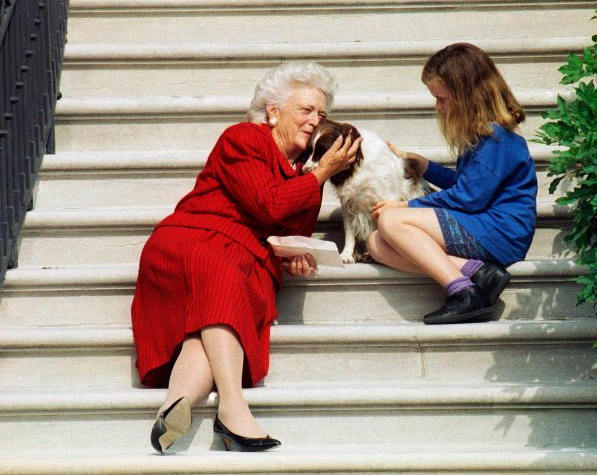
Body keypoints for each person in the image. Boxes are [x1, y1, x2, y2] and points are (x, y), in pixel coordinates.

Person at [131, 62, 360, 453]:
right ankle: (232, 407)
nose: (314, 121)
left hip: (242, 260)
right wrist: (322, 173)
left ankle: (177, 402)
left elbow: (288, 235)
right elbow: (269, 206)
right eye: (305, 110)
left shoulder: (304, 172)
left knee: (209, 317)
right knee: (223, 279)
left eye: (321, 114)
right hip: (194, 240)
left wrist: (297, 258)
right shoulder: (245, 138)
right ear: (274, 112)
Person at [368, 43, 537, 325]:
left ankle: (464, 294)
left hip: (500, 231)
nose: (439, 107)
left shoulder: (497, 138)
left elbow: (469, 198)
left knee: (392, 221)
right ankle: (479, 273)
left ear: (469, 95)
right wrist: (427, 168)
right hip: (483, 225)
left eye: (443, 99)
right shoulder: (484, 136)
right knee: (376, 243)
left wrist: (405, 205)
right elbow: (469, 186)